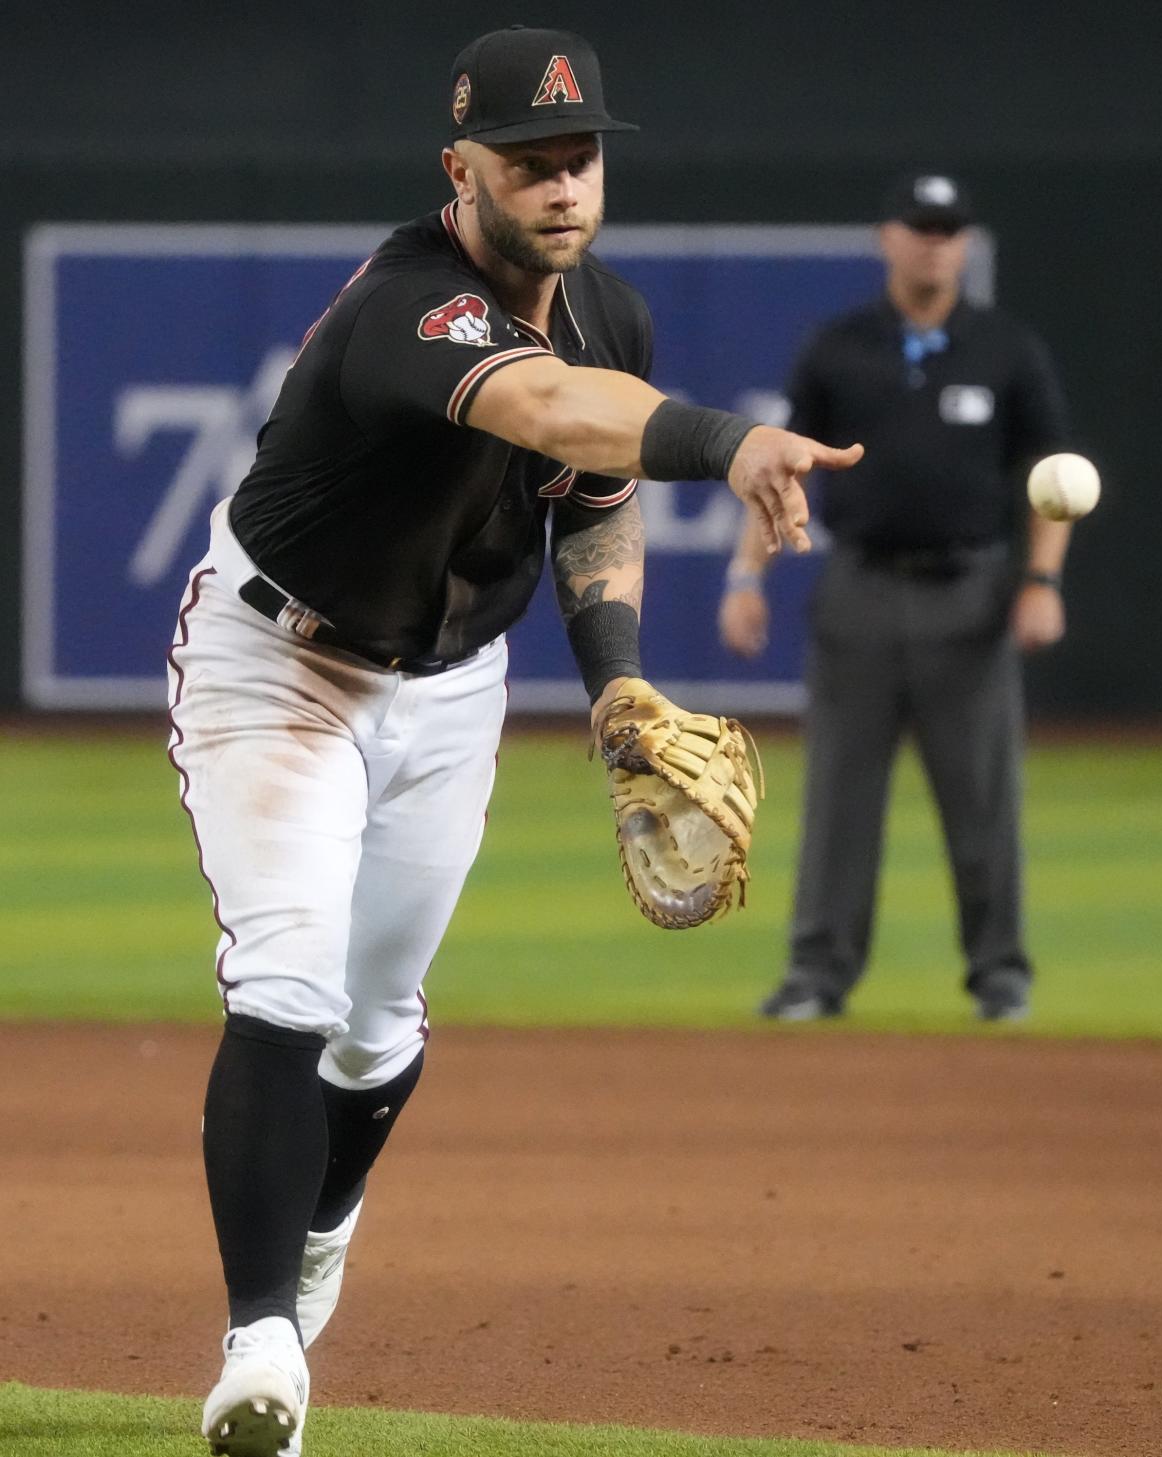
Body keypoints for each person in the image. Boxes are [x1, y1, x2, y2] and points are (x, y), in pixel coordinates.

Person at [169, 25, 862, 1457]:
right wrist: (730, 442)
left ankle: (323, 1223)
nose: (560, 184)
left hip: (449, 684)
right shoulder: (414, 303)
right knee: (288, 980)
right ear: (460, 170)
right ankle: (259, 1350)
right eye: (528, 162)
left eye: (580, 157)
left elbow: (592, 496)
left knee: (376, 1030)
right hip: (279, 668)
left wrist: (614, 681)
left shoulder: (613, 313)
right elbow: (542, 404)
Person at [719, 172, 1074, 1027]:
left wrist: (1042, 580)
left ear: (964, 242)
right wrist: (745, 575)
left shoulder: (1005, 348)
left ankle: (1001, 977)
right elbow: (780, 471)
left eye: (949, 228)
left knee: (983, 799)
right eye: (920, 226)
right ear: (887, 236)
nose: (934, 242)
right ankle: (817, 975)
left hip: (971, 593)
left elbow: (1050, 477)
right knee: (840, 799)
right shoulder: (838, 347)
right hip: (861, 591)